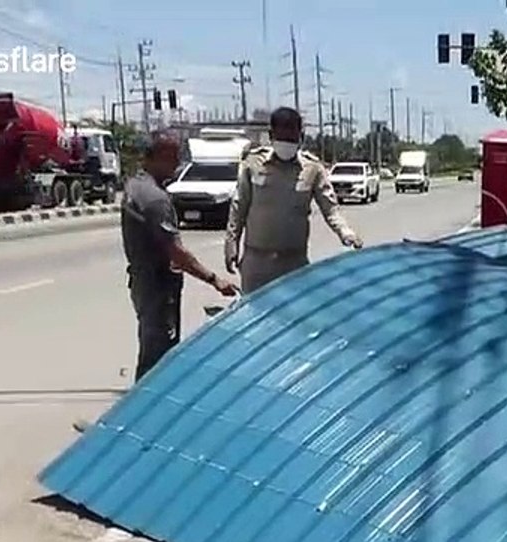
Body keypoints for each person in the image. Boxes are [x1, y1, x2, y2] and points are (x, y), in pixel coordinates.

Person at [122, 132, 238, 380]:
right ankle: (143, 415)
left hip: (142, 281)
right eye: (173, 157)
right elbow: (176, 251)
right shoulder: (154, 199)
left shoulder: (135, 186)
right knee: (157, 361)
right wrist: (214, 279)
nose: (177, 164)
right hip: (157, 287)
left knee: (153, 352)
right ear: (160, 156)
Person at [224, 106, 362, 294]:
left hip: (294, 263)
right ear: (271, 135)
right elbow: (238, 208)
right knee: (256, 316)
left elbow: (330, 209)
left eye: (291, 139)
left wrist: (346, 233)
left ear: (301, 137)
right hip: (257, 262)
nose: (286, 144)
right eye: (282, 139)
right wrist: (231, 244)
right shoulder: (253, 164)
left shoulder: (312, 168)